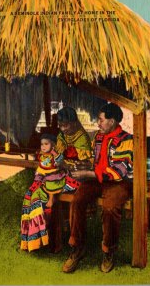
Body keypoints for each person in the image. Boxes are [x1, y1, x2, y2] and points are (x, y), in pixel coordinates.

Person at [62, 103, 133, 273]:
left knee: (110, 208)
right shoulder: (99, 138)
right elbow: (95, 160)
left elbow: (119, 171)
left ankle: (109, 251)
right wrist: (82, 164)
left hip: (118, 182)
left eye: (101, 120)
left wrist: (89, 173)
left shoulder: (127, 140)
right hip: (97, 179)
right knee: (77, 200)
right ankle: (77, 247)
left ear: (112, 121)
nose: (98, 123)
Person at [20, 133, 81, 252]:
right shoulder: (42, 156)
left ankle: (51, 198)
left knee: (51, 183)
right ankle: (34, 237)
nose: (43, 146)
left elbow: (60, 163)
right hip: (46, 178)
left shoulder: (55, 155)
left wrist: (55, 155)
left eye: (46, 144)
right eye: (42, 144)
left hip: (57, 177)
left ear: (52, 145)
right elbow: (41, 169)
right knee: (30, 195)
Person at [48, 106, 93, 253]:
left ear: (74, 123)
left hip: (80, 176)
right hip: (65, 173)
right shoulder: (62, 136)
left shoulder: (82, 138)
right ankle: (53, 241)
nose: (62, 128)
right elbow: (59, 156)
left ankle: (72, 242)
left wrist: (66, 163)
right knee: (49, 193)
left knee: (56, 192)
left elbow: (84, 164)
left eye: (65, 125)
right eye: (60, 125)